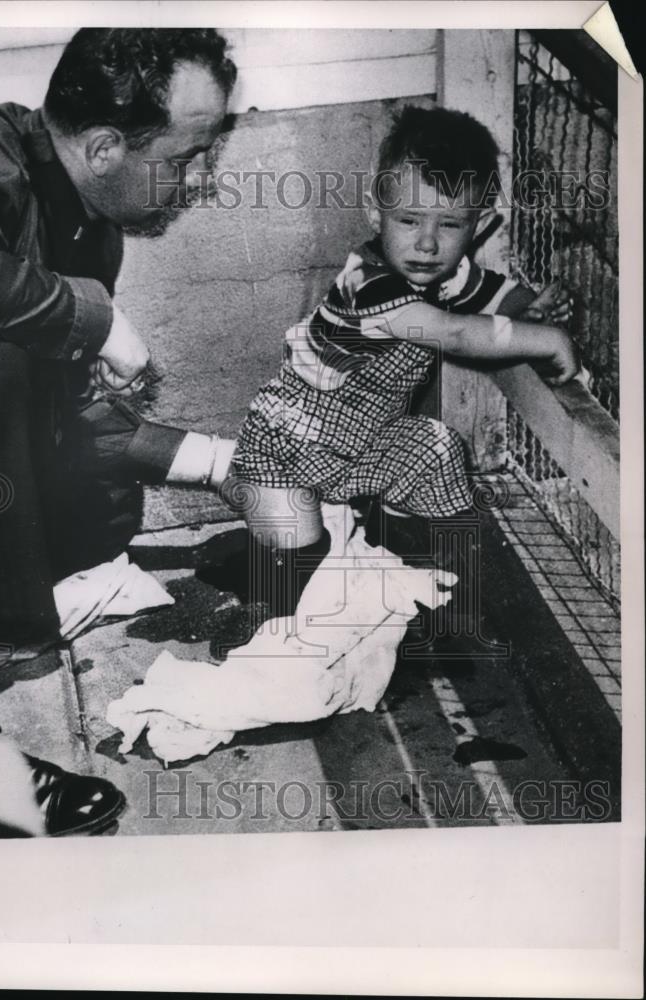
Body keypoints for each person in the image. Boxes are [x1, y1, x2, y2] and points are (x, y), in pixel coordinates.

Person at [0, 28, 238, 834]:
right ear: (107, 145)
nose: (199, 183)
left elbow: (71, 412)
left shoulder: (91, 228)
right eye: (186, 159)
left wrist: (224, 464)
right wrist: (97, 317)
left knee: (96, 501)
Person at [227, 105, 577, 638]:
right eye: (410, 221)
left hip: (361, 446)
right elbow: (455, 331)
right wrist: (546, 339)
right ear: (376, 215)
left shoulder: (445, 271)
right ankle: (276, 622)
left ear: (480, 225)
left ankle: (458, 586)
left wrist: (530, 307)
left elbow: (490, 292)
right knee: (301, 560)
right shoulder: (370, 283)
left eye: (450, 225)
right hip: (287, 449)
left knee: (438, 448)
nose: (428, 244)